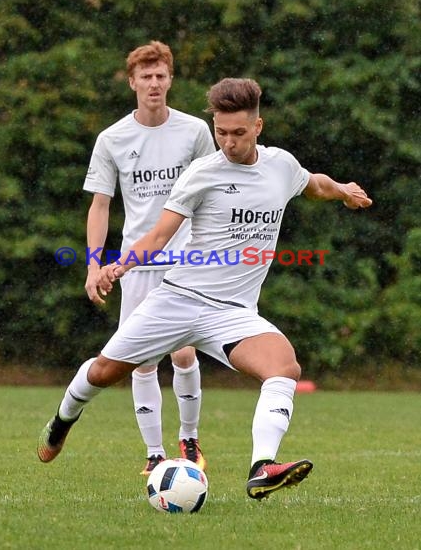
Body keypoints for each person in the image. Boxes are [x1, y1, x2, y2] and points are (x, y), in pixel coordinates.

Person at [38, 77, 372, 499]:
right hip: (178, 300)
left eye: (237, 133)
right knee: (104, 372)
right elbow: (159, 236)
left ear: (258, 127)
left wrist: (342, 191)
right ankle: (63, 420)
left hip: (232, 313)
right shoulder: (202, 173)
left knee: (284, 366)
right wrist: (116, 266)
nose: (228, 143)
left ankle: (262, 466)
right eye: (220, 133)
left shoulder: (281, 166)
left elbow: (314, 184)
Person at [82, 41, 215, 474]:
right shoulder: (113, 138)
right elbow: (100, 204)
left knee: (183, 353)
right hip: (136, 263)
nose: (154, 84)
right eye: (146, 76)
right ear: (133, 82)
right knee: (140, 359)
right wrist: (93, 263)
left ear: (170, 80)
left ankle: (190, 441)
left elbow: (214, 193)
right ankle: (154, 454)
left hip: (185, 260)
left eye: (161, 76)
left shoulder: (196, 131)